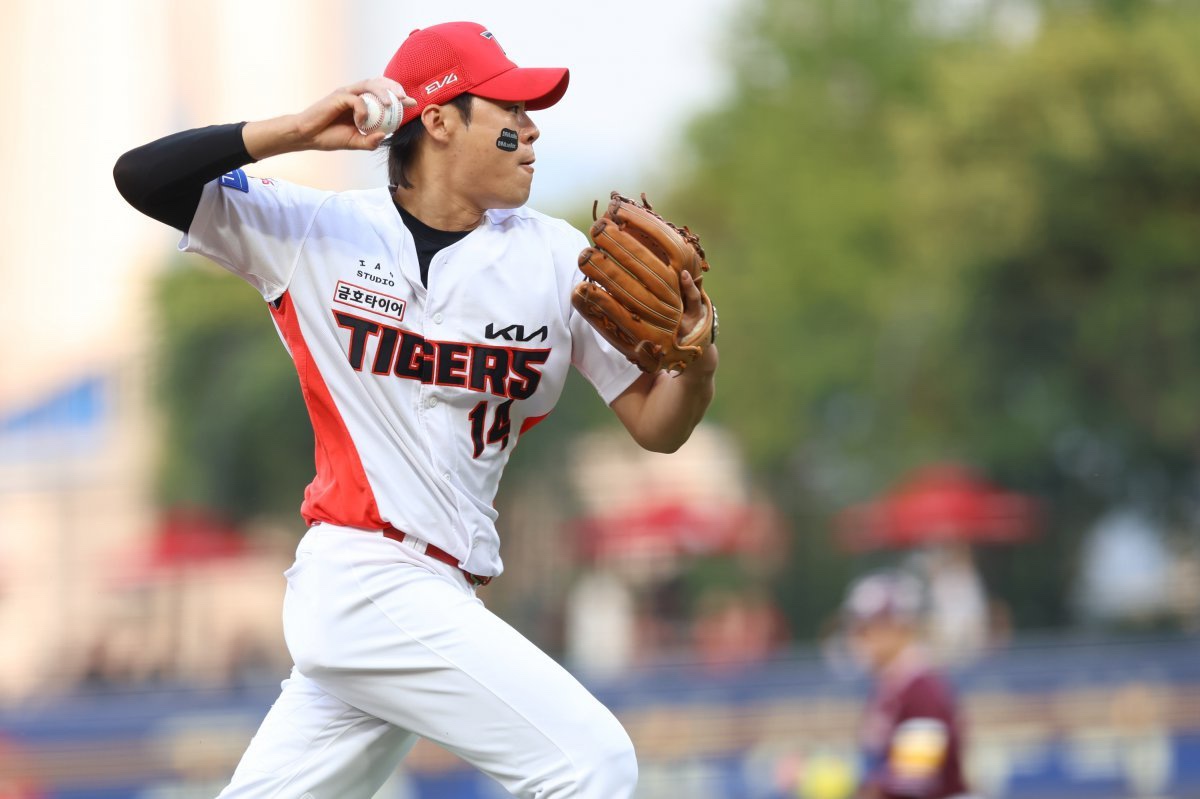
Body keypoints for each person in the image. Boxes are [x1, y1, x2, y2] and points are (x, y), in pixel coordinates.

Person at [113, 21, 718, 799]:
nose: (532, 129)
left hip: (436, 598)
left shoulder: (553, 258)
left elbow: (656, 426)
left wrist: (698, 365)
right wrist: (299, 130)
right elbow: (142, 178)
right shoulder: (315, 230)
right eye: (510, 109)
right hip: (364, 578)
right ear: (438, 120)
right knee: (592, 762)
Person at [841, 572, 976, 799]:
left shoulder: (922, 689)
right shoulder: (893, 686)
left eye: (870, 627)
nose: (861, 638)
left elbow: (914, 782)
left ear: (902, 627)